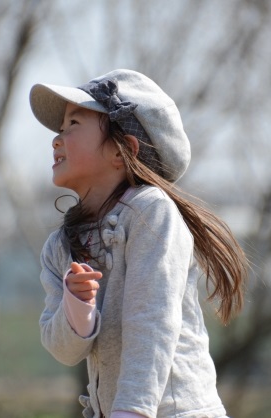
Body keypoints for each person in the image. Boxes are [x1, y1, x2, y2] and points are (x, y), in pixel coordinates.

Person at [29, 69, 248, 418]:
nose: (57, 138)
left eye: (73, 124)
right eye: (60, 128)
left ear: (122, 151)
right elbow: (64, 351)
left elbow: (152, 321)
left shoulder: (151, 212)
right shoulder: (60, 245)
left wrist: (132, 410)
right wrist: (76, 308)